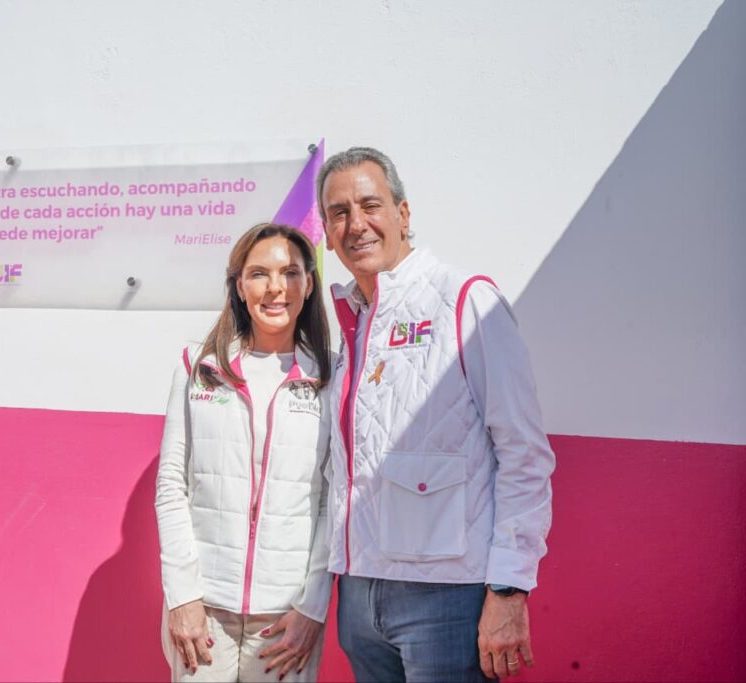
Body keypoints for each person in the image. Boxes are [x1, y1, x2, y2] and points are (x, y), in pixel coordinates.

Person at [316, 147, 555, 682]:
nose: (356, 224)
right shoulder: (353, 317)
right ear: (327, 233)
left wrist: (509, 588)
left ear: (403, 214)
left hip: (447, 599)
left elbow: (523, 453)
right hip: (358, 594)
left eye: (370, 205)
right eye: (339, 213)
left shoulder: (466, 300)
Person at [155, 223, 335, 682]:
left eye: (290, 273)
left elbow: (333, 501)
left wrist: (312, 608)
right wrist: (182, 597)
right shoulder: (199, 367)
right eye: (259, 274)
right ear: (239, 285)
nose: (275, 288)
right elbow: (172, 486)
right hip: (204, 610)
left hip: (285, 617)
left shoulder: (332, 376)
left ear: (308, 284)